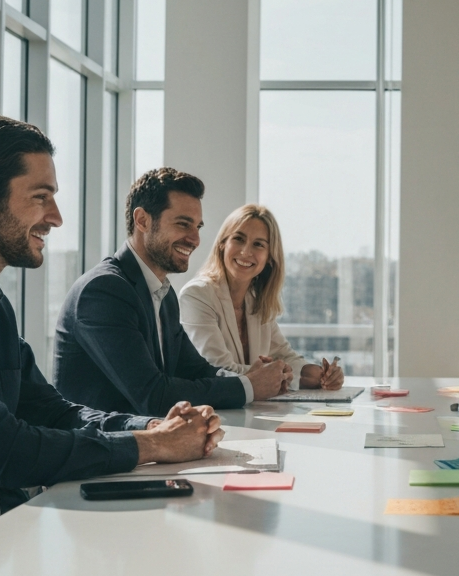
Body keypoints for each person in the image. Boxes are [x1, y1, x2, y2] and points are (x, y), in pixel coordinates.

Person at [0, 116, 224, 550]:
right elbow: (4, 450)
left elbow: (55, 412)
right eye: (40, 197)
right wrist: (151, 444)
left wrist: (158, 426)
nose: (56, 217)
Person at [54, 169, 286, 416]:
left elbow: (195, 369)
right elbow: (153, 394)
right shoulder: (103, 291)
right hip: (103, 448)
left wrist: (250, 377)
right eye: (183, 224)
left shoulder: (164, 294)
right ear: (142, 220)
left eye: (197, 227)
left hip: (150, 441)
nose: (195, 239)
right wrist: (249, 386)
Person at [179, 204, 345, 391]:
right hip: (213, 410)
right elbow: (218, 369)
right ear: (222, 244)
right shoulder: (196, 296)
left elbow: (284, 355)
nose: (245, 252)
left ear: (269, 257)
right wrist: (281, 374)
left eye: (258, 244)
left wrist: (319, 374)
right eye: (239, 239)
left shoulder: (256, 299)